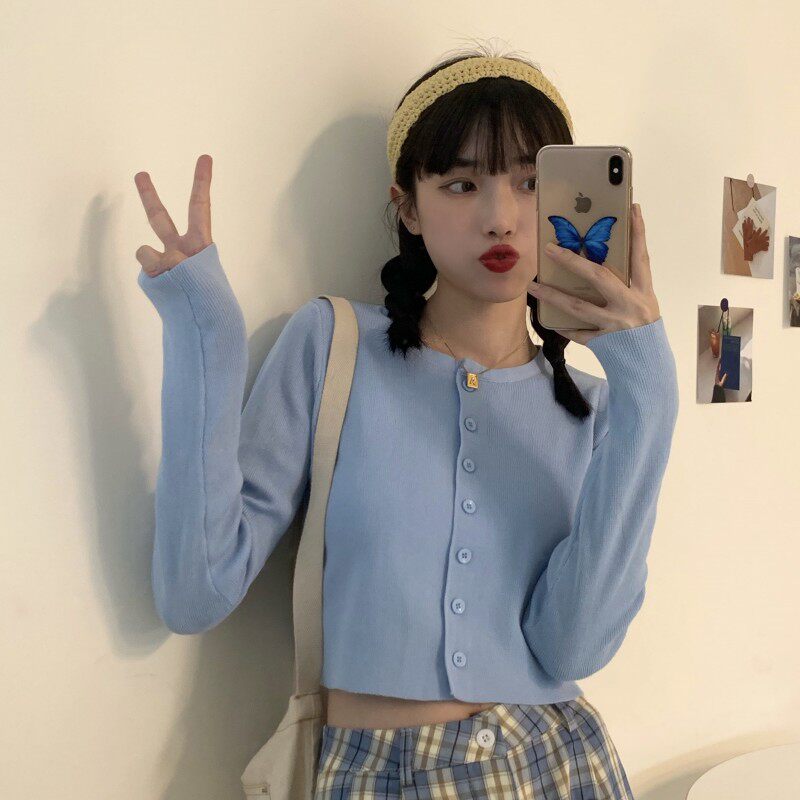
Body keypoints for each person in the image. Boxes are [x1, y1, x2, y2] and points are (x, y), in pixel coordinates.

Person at [135, 44, 679, 800]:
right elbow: (195, 593)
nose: (500, 217)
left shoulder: (597, 407)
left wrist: (650, 388)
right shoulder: (332, 345)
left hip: (555, 767)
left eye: (529, 184)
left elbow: (573, 647)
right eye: (461, 183)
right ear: (408, 207)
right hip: (374, 775)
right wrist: (206, 331)